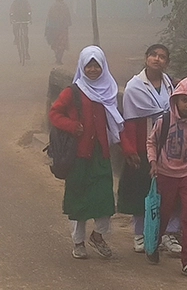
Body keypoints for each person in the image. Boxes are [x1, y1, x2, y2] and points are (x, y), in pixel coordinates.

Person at [48, 46, 124, 260]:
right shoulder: (73, 91)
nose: (92, 69)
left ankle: (98, 235)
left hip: (101, 155)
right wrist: (72, 126)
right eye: (88, 65)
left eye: (96, 65)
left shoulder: (108, 90)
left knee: (104, 201)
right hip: (79, 156)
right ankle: (78, 242)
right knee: (78, 200)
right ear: (82, 66)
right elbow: (54, 113)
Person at [118, 44, 179, 254]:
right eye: (153, 55)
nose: (157, 59)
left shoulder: (171, 86)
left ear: (167, 62)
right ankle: (140, 235)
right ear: (146, 58)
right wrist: (130, 149)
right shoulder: (134, 87)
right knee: (141, 191)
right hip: (144, 147)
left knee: (169, 191)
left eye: (162, 57)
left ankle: (167, 234)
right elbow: (128, 122)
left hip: (169, 147)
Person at [148, 77, 187, 280]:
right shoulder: (163, 121)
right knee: (162, 215)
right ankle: (153, 244)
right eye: (184, 100)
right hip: (165, 174)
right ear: (175, 100)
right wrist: (153, 163)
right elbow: (152, 141)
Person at [44, 0, 72, 65]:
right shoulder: (65, 7)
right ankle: (59, 58)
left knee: (55, 42)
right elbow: (68, 18)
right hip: (63, 29)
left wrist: (47, 28)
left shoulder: (52, 7)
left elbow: (49, 18)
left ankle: (57, 56)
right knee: (62, 44)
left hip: (53, 29)